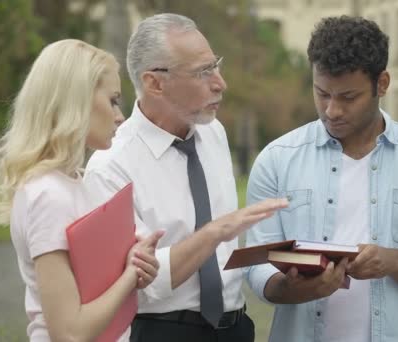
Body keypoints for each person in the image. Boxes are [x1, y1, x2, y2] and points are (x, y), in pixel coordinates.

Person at [83, 13, 288, 342]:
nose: (220, 83)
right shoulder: (110, 167)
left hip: (236, 327)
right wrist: (215, 233)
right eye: (203, 72)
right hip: (162, 331)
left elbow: (225, 258)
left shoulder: (214, 133)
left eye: (215, 65)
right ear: (155, 83)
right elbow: (131, 284)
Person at [245, 16, 398, 342]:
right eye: (322, 94)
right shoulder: (276, 160)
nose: (332, 110)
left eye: (348, 97)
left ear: (383, 84)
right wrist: (295, 288)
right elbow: (256, 264)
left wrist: (391, 261)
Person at [0, 39, 163, 342]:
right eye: (113, 100)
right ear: (77, 100)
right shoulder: (47, 194)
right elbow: (69, 333)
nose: (119, 115)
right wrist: (129, 276)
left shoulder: (80, 181)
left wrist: (135, 261)